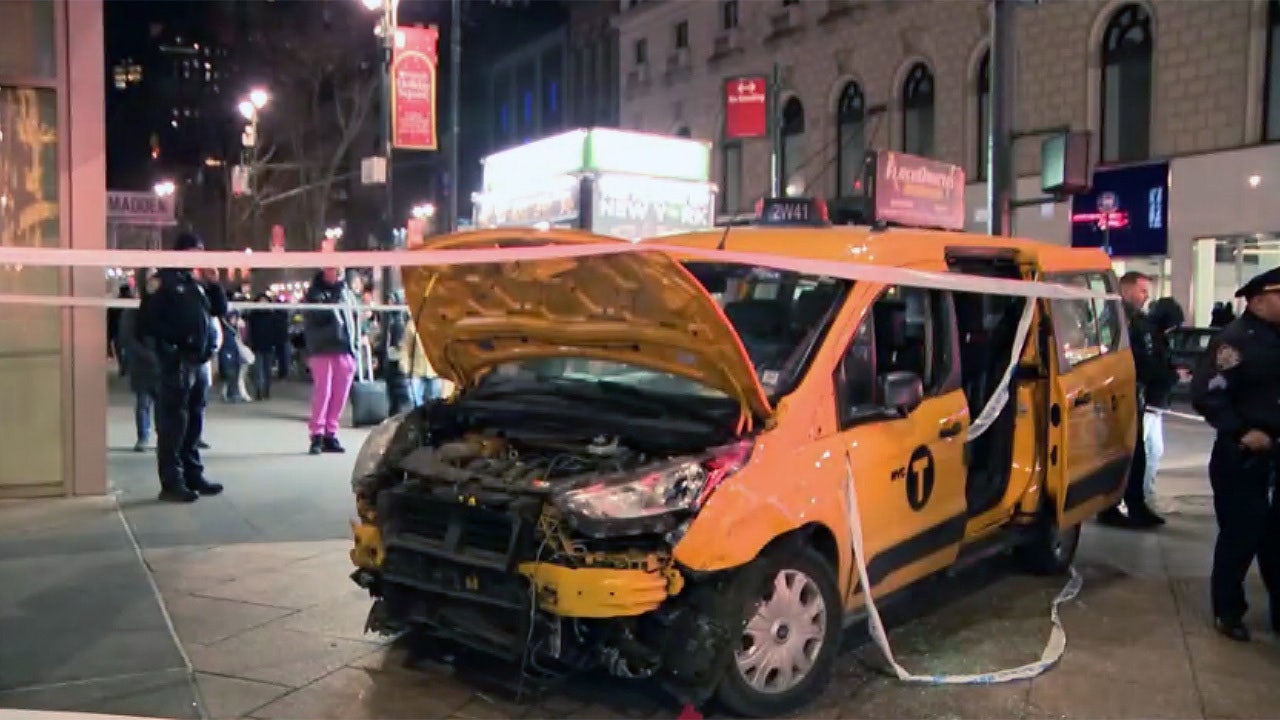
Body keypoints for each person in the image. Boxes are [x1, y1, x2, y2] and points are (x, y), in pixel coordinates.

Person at [1190, 266, 1280, 643]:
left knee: (1277, 538)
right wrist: (1242, 431)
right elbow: (1209, 395)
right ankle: (1228, 610)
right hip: (1242, 455)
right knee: (1240, 536)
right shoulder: (1234, 341)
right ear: (1259, 300)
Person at [136, 232, 227, 503]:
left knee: (194, 422)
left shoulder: (195, 284)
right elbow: (147, 324)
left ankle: (192, 474)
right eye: (194, 251)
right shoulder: (162, 282)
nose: (199, 256)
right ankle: (172, 480)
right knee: (174, 423)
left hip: (197, 362)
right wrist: (170, 350)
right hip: (176, 362)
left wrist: (214, 284)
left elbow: (218, 310)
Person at [1098, 271, 1166, 528]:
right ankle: (1116, 506)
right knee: (1125, 451)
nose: (1146, 296)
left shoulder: (1136, 319)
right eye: (1142, 290)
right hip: (1119, 393)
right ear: (1126, 291)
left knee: (1137, 453)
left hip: (1133, 391)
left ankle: (1133, 504)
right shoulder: (1116, 319)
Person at [303, 266, 359, 455]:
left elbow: (354, 320)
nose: (335, 272)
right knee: (323, 392)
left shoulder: (346, 292)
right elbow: (318, 316)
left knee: (340, 393)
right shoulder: (315, 292)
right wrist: (334, 296)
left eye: (338, 269)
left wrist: (355, 348)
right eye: (332, 268)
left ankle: (331, 433)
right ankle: (317, 434)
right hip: (322, 348)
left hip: (345, 348)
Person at [1142, 296, 1187, 509]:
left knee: (1154, 451)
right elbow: (1152, 369)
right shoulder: (1151, 337)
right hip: (1148, 404)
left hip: (1154, 405)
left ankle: (1146, 496)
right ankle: (1140, 497)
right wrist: (1175, 375)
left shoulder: (1154, 336)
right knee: (1147, 452)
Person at [119, 288, 160, 452]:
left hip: (158, 363)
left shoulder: (162, 308)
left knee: (160, 405)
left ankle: (160, 437)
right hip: (143, 365)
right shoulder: (132, 313)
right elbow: (127, 339)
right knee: (144, 403)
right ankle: (143, 436)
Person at [245, 293, 287, 399]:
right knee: (258, 370)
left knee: (267, 370)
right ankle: (259, 390)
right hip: (257, 345)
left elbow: (277, 331)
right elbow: (250, 331)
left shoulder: (272, 316)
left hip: (269, 346)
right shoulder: (253, 316)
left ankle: (266, 390)